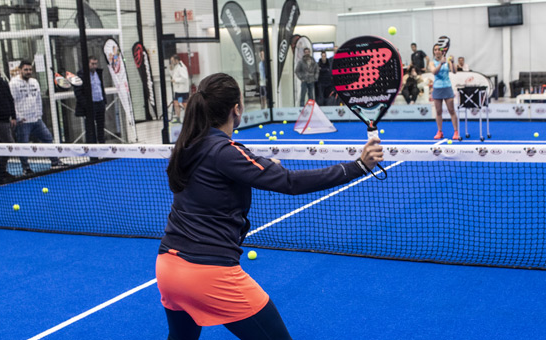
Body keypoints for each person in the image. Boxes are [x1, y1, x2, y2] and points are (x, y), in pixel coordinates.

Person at [156, 73, 383, 340]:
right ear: (236, 109)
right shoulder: (226, 152)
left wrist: (263, 167)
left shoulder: (187, 145)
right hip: (210, 274)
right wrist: (358, 166)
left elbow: (226, 170)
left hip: (168, 268)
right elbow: (290, 182)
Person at [9, 60, 65, 175]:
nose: (28, 72)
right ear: (20, 70)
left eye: (30, 70)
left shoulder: (35, 82)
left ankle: (55, 162)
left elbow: (38, 99)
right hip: (23, 121)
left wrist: (39, 115)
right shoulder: (13, 83)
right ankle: (26, 168)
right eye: (26, 70)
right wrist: (18, 117)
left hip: (36, 120)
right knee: (23, 145)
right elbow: (11, 102)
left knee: (48, 138)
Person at [428, 44, 460, 140]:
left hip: (447, 87)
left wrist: (453, 62)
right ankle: (440, 132)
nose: (437, 51)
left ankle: (456, 132)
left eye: (439, 49)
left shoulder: (448, 61)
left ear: (442, 51)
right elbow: (434, 72)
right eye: (435, 49)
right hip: (437, 88)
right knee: (438, 111)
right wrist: (441, 64)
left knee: (451, 110)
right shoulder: (431, 63)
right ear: (434, 52)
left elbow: (454, 71)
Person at [74, 56, 107, 144]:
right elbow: (78, 92)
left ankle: (104, 150)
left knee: (101, 128)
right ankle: (93, 153)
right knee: (90, 129)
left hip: (100, 103)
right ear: (87, 64)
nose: (94, 66)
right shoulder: (81, 75)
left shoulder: (98, 73)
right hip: (90, 105)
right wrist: (86, 105)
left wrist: (104, 102)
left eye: (96, 64)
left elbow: (101, 88)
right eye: (92, 64)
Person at [0, 60, 17, 184]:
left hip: (5, 121)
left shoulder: (3, 83)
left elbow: (10, 99)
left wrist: (13, 117)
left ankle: (1, 171)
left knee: (8, 145)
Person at [169, 55, 190, 123]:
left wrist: (175, 80)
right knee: (177, 103)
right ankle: (178, 118)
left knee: (183, 103)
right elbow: (173, 74)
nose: (171, 62)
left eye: (172, 61)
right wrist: (170, 68)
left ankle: (188, 117)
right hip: (178, 90)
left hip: (182, 90)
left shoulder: (181, 67)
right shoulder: (176, 66)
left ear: (176, 60)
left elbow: (184, 78)